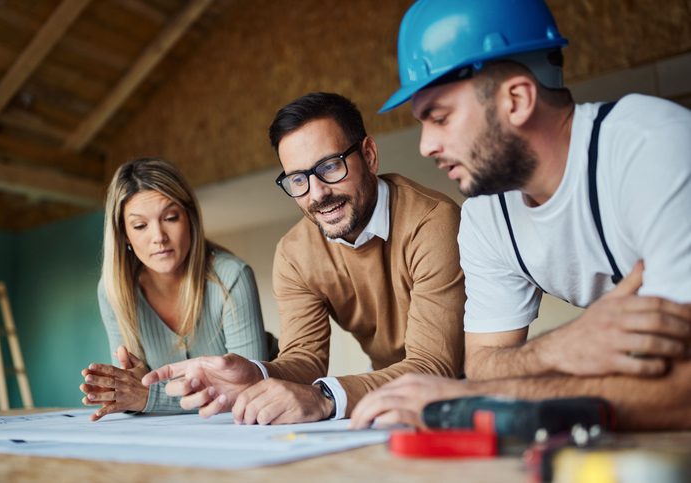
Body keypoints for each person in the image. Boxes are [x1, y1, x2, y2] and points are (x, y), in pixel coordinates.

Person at [351, 0, 691, 430]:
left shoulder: (652, 148)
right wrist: (561, 348)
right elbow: (485, 365)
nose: (426, 146)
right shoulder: (486, 216)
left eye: (439, 118)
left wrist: (470, 398)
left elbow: (682, 392)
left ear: (517, 99)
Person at [142, 92, 466, 424]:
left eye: (330, 166)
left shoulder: (433, 222)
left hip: (463, 396)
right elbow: (305, 358)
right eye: (298, 179)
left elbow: (432, 367)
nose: (318, 193)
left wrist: (323, 396)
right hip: (384, 397)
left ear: (369, 155)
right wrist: (257, 374)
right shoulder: (294, 253)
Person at [79, 157, 268, 421]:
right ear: (124, 235)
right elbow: (131, 389)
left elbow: (248, 388)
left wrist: (148, 396)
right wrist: (126, 390)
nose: (159, 237)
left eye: (170, 217)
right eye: (140, 225)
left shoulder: (232, 276)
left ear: (189, 218)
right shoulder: (112, 291)